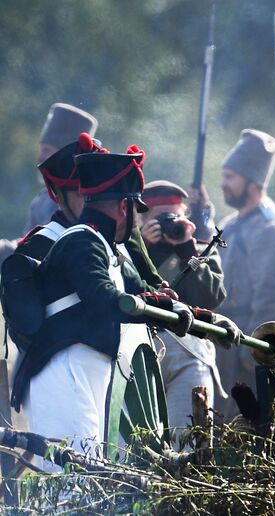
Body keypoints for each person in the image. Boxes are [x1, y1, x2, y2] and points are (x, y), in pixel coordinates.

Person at [12, 146, 191, 467]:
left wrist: (194, 316)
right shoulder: (81, 241)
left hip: (92, 371)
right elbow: (106, 299)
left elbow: (148, 291)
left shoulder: (108, 247)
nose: (138, 219)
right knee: (72, 479)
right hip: (62, 371)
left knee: (93, 476)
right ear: (124, 206)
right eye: (137, 209)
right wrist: (161, 304)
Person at [215, 129, 275, 420]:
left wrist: (252, 349)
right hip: (230, 337)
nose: (223, 184)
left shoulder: (271, 228)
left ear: (252, 182)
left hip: (257, 341)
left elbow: (272, 296)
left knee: (261, 422)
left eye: (230, 177)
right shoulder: (229, 225)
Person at [139, 180, 227, 443]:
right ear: (140, 218)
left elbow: (212, 297)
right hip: (142, 350)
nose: (170, 223)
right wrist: (146, 249)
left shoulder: (198, 249)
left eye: (175, 216)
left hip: (191, 352)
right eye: (160, 218)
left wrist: (188, 251)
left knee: (190, 441)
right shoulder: (131, 248)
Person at [0, 103, 98, 265]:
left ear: (61, 156)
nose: (40, 157)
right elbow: (28, 244)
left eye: (47, 150)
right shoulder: (42, 199)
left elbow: (51, 246)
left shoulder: (81, 199)